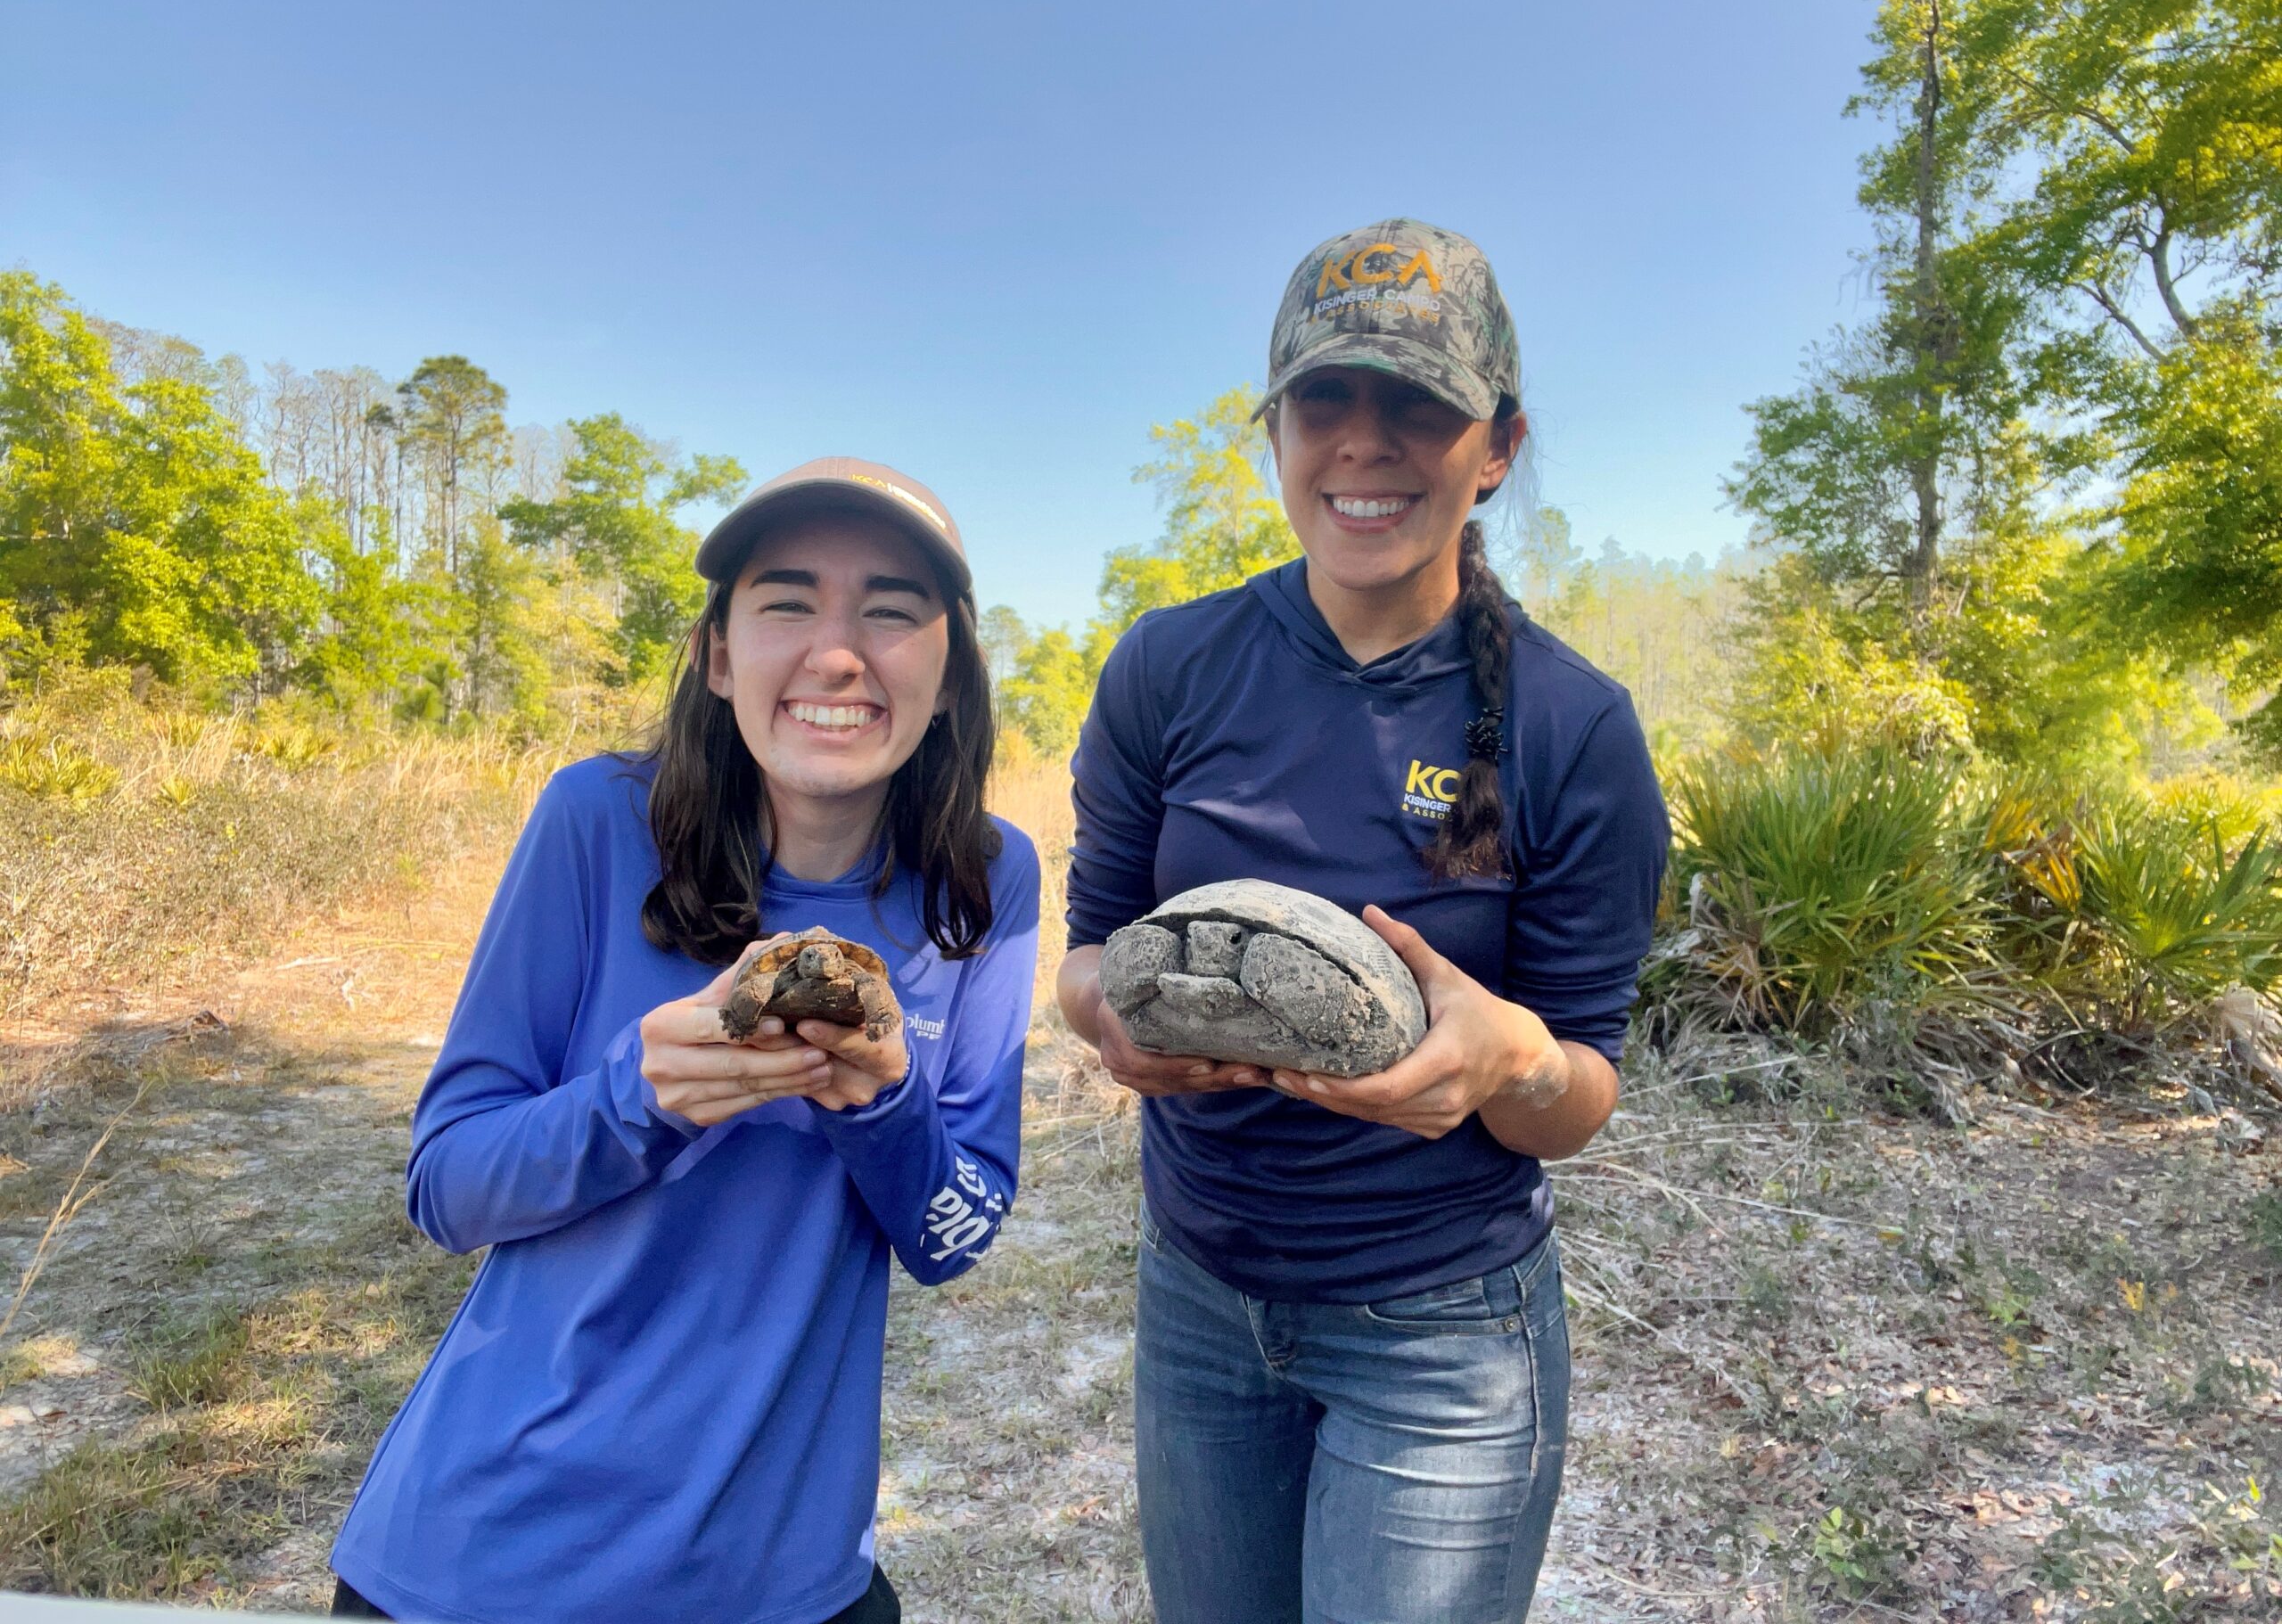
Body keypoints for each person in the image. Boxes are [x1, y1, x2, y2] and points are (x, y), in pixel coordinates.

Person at [1057, 220, 1669, 1623]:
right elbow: (1088, 953)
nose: (1364, 444)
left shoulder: (1576, 731)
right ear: (1274, 429)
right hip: (1199, 1297)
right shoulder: (1169, 669)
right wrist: (1112, 1021)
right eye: (1325, 400)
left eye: (1419, 406)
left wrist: (1510, 1060)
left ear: (1496, 445)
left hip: (1442, 1332)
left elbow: (1579, 1094)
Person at [329, 459, 1039, 1624]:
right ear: (718, 655)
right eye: (788, 601)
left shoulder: (985, 880)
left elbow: (955, 1233)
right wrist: (636, 1099)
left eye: (895, 609)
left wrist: (882, 1102)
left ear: (954, 670)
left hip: (788, 1579)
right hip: (493, 1564)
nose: (839, 652)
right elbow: (445, 1188)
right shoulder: (597, 821)